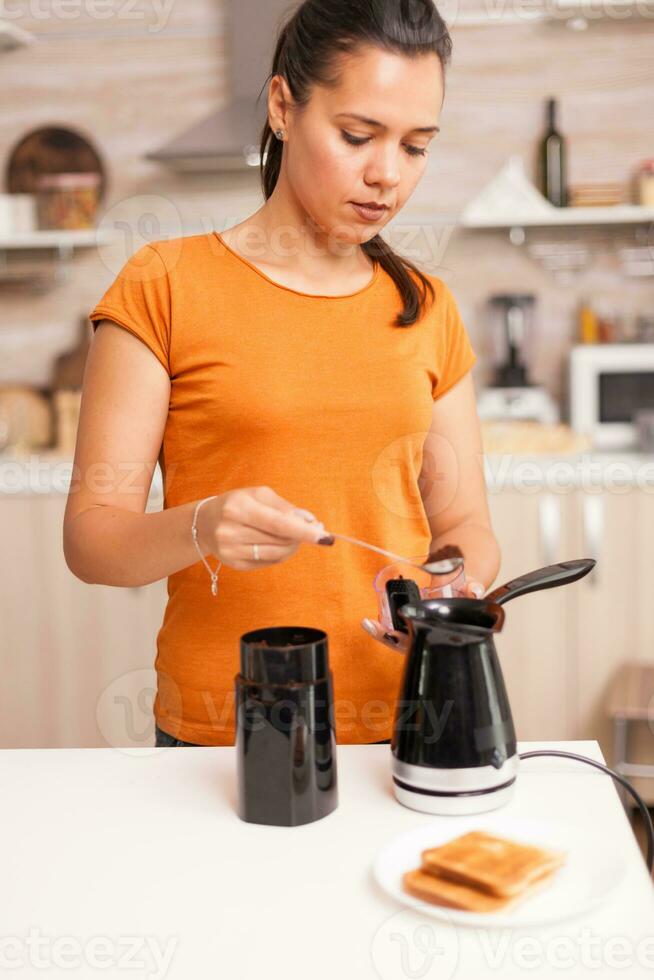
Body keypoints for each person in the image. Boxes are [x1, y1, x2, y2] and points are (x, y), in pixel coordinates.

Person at [64, 0, 501, 749]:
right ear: (282, 106)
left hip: (403, 719)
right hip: (222, 729)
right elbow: (92, 541)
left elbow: (465, 528)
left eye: (416, 147)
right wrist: (204, 526)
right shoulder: (163, 284)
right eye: (358, 135)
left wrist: (449, 589)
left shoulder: (426, 307)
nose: (386, 176)